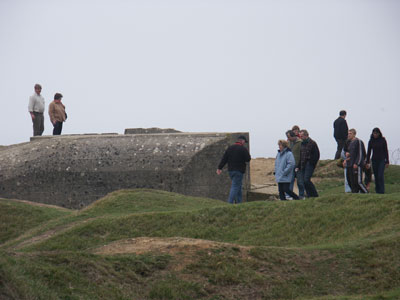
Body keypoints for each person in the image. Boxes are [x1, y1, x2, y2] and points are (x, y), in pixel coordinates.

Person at [217, 135, 251, 204]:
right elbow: (248, 159)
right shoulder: (243, 149)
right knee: (235, 186)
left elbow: (224, 159)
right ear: (242, 141)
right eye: (244, 141)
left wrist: (219, 168)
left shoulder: (230, 148)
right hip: (239, 171)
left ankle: (239, 203)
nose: (244, 143)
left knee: (239, 186)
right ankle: (229, 203)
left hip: (231, 171)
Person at [366, 128, 389, 194]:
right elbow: (369, 152)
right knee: (376, 176)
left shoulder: (383, 140)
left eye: (376, 133)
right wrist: (367, 162)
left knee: (380, 175)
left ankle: (382, 191)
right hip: (374, 160)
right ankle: (377, 191)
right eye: (374, 133)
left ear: (379, 133)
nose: (375, 135)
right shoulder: (371, 141)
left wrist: (387, 161)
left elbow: (385, 150)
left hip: (381, 160)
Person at [297, 129, 320, 197]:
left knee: (306, 180)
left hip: (309, 164)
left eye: (302, 136)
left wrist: (311, 162)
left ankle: (314, 194)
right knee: (304, 181)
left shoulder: (312, 143)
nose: (301, 137)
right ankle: (309, 195)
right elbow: (300, 156)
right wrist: (298, 165)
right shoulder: (301, 144)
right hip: (302, 164)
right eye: (300, 136)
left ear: (306, 135)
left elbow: (317, 155)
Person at [347, 129, 368, 193]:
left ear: (354, 134)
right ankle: (354, 194)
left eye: (350, 133)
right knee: (351, 182)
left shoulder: (358, 141)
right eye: (348, 133)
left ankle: (366, 193)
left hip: (357, 165)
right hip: (350, 164)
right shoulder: (350, 143)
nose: (348, 135)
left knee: (358, 182)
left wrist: (357, 163)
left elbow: (361, 153)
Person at [286, 130, 305, 199]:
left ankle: (301, 195)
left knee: (300, 182)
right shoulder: (288, 143)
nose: (288, 138)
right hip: (290, 165)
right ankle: (289, 195)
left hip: (298, 165)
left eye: (289, 137)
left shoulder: (300, 142)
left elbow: (302, 154)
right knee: (290, 181)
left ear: (293, 136)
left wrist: (300, 164)